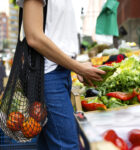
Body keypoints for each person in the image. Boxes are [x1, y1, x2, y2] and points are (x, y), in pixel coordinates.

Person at [16, 0, 105, 150]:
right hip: (47, 76)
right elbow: (34, 37)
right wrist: (77, 67)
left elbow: (57, 37)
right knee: (67, 145)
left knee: (50, 144)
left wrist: (76, 66)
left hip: (57, 73)